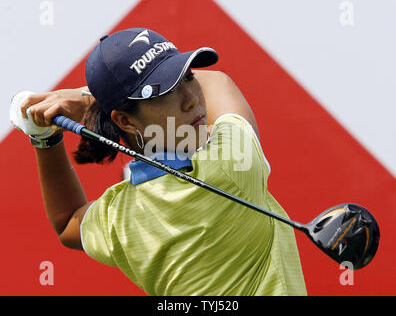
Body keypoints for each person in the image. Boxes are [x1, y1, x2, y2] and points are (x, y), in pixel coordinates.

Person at [19, 28, 307, 296]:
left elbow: (68, 221)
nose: (191, 99)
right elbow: (218, 81)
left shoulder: (121, 219)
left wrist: (44, 138)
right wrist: (89, 98)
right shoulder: (230, 164)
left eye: (187, 77)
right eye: (164, 91)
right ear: (125, 120)